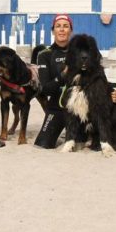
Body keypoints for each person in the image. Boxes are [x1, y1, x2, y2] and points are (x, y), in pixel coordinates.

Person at [33, 14, 73, 149]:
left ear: (71, 31)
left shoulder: (80, 53)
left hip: (79, 107)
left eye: (66, 26)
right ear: (53, 31)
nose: (62, 30)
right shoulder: (44, 54)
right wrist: (63, 75)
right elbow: (46, 89)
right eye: (58, 26)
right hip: (57, 106)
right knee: (42, 145)